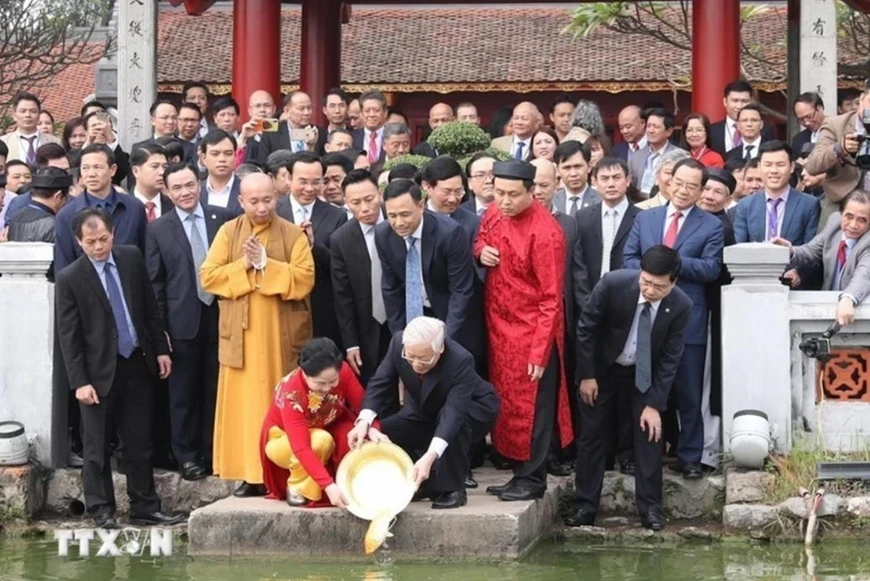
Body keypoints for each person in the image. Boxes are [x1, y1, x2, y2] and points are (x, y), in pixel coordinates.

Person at [55, 208, 184, 529]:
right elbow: (68, 337)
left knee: (140, 442)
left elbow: (149, 309)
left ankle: (145, 507)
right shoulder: (71, 277)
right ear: (78, 242)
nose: (99, 247)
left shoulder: (130, 258)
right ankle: (101, 510)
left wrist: (160, 350)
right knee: (96, 447)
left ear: (113, 234)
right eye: (91, 241)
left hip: (136, 363)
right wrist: (79, 382)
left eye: (103, 239)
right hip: (97, 374)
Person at [200, 173, 316, 497]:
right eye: (254, 201)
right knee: (244, 407)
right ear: (240, 201)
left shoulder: (293, 234)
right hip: (241, 336)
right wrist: (247, 266)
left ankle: (284, 472)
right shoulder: (228, 232)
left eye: (268, 200)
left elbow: (305, 279)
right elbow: (209, 276)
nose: (262, 207)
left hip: (279, 335)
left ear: (277, 197)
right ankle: (250, 473)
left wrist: (268, 265)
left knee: (279, 403)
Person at [565, 246, 692, 531]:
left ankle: (651, 510)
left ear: (673, 283)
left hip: (643, 373)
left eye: (659, 286)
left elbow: (671, 357)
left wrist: (655, 404)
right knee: (592, 437)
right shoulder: (614, 283)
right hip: (603, 370)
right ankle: (584, 506)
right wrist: (587, 375)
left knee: (650, 436)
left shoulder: (681, 305)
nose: (649, 290)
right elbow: (586, 328)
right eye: (645, 282)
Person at [474, 160, 573, 501]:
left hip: (532, 332)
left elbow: (551, 299)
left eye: (513, 194)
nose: (504, 201)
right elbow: (482, 238)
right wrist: (480, 251)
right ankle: (517, 471)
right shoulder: (493, 212)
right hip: (499, 329)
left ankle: (533, 477)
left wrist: (539, 351)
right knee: (507, 405)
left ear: (533, 192)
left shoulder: (546, 233)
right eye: (499, 192)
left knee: (535, 408)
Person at [623, 158, 724, 478]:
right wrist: (652, 273)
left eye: (691, 186)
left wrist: (670, 264)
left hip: (688, 317)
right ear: (668, 181)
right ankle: (643, 453)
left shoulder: (711, 225)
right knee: (644, 385)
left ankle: (691, 456)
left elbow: (711, 269)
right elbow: (628, 258)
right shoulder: (646, 217)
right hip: (644, 313)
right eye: (678, 182)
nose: (683, 190)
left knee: (689, 390)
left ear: (700, 190)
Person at [347, 317, 500, 509]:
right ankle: (425, 481)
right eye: (411, 357)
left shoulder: (460, 360)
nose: (416, 363)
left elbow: (453, 414)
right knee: (384, 430)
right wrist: (365, 422)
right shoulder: (398, 343)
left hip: (472, 408)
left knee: (454, 425)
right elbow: (381, 383)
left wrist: (429, 457)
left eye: (424, 358)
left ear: (440, 349)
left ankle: (453, 488)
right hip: (425, 409)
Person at [145, 162, 234, 480]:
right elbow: (154, 284)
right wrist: (161, 332)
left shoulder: (223, 218)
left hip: (221, 317)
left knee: (216, 389)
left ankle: (214, 452)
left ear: (200, 185)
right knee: (182, 393)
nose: (185, 192)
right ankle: (186, 456)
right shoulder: (158, 229)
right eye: (177, 188)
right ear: (167, 191)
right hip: (180, 323)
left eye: (189, 185)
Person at [261, 338, 366, 507]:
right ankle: (297, 486)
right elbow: (301, 447)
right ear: (304, 372)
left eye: (333, 382)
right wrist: (329, 486)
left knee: (357, 436)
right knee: (321, 440)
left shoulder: (343, 371)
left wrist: (371, 427)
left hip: (326, 424)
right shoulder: (292, 393)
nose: (327, 388)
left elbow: (363, 407)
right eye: (320, 383)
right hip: (284, 439)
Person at [375, 179, 476, 351]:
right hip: (413, 315)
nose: (398, 223)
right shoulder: (383, 234)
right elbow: (391, 289)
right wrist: (401, 338)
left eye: (405, 214)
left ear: (421, 206)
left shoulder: (450, 233)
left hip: (448, 315)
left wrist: (445, 341)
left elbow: (461, 291)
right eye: (392, 215)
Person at [329, 170, 391, 387]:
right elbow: (342, 296)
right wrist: (351, 344)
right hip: (368, 329)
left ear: (380, 194)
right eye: (356, 202)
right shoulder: (341, 239)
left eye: (369, 199)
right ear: (346, 202)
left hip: (405, 321)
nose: (364, 208)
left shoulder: (399, 220)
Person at [772, 189, 870, 327]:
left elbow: (864, 275)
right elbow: (811, 251)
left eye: (862, 220)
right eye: (849, 216)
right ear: (841, 214)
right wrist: (790, 250)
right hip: (827, 306)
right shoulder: (834, 223)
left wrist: (848, 299)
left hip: (856, 313)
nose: (853, 225)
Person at [733, 141, 821, 289]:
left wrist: (800, 273)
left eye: (780, 165)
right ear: (760, 168)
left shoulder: (809, 204)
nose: (774, 170)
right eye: (768, 165)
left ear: (792, 167)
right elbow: (740, 248)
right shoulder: (745, 205)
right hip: (753, 285)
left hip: (793, 285)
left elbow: (813, 249)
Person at [805, 84, 870, 227]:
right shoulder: (836, 124)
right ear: (862, 99)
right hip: (841, 200)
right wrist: (840, 149)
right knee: (826, 243)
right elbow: (813, 165)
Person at [6, 167, 71, 242]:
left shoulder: (15, 218)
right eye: (66, 198)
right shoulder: (56, 225)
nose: (65, 202)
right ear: (58, 196)